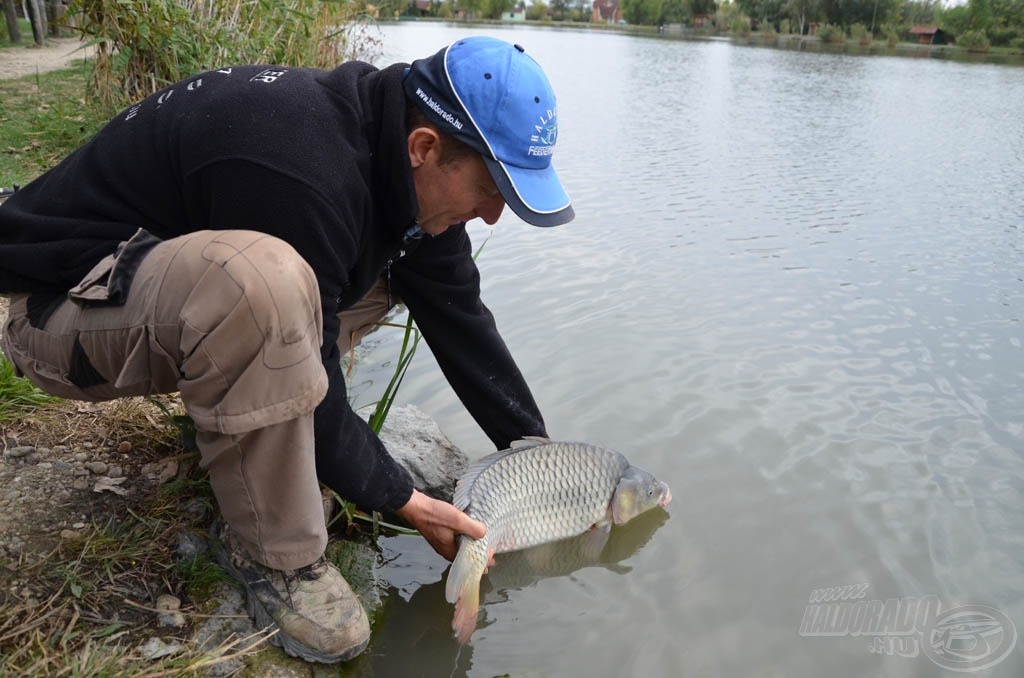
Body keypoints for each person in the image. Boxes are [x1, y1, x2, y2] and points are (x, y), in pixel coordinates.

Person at [0, 36, 573, 662]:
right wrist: (399, 497)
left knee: (377, 278)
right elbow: (307, 358)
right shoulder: (302, 168)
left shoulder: (396, 157)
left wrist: (539, 459)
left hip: (164, 295)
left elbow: (460, 315)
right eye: (492, 189)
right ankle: (274, 554)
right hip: (57, 309)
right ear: (426, 148)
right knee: (266, 287)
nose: (493, 216)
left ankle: (246, 432)